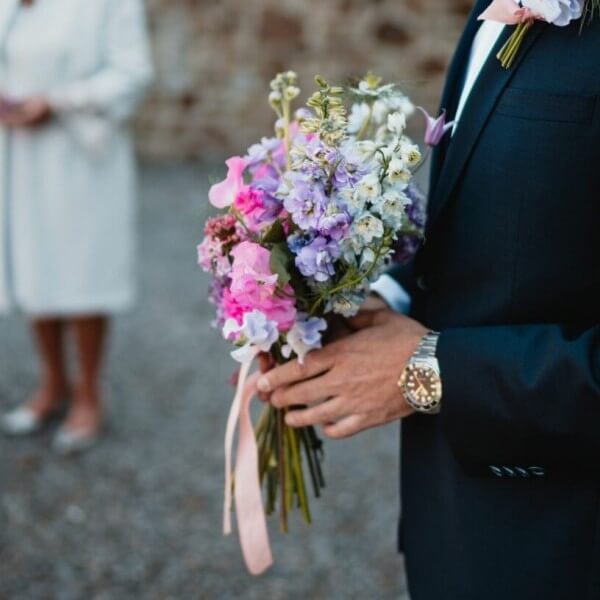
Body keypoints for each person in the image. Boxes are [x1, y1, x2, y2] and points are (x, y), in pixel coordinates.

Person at [256, 1, 600, 598]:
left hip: (565, 539)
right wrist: (362, 301)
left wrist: (431, 371)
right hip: (457, 521)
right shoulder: (494, 9)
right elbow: (490, 218)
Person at [0, 0, 153, 454]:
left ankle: (88, 393)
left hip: (81, 158)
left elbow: (134, 73)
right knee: (32, 264)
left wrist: (57, 101)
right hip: (18, 156)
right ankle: (52, 385)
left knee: (83, 271)